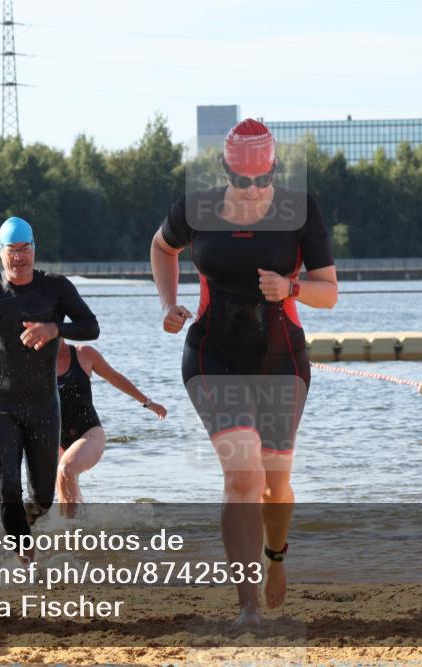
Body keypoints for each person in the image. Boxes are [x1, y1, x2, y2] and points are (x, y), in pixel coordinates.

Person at [150, 118, 338, 624]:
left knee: (275, 482)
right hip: (214, 354)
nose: (253, 191)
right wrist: (169, 304)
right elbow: (161, 247)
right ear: (225, 172)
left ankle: (276, 560)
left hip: (282, 359)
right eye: (242, 181)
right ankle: (247, 607)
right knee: (243, 474)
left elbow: (329, 292)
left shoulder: (301, 211)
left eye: (262, 179)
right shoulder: (197, 208)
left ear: (275, 169)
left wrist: (291, 288)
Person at [0, 216, 99, 563]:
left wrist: (55, 329)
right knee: (7, 485)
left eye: (26, 249)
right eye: (13, 250)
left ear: (34, 250)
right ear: (1, 253)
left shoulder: (55, 288)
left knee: (42, 497)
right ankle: (25, 559)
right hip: (3, 404)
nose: (20, 257)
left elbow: (91, 327)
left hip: (44, 405)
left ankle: (17, 529)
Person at [55, 338, 167, 518]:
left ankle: (70, 533)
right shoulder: (36, 361)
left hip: (89, 433)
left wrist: (148, 403)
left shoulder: (84, 354)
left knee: (66, 470)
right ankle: (78, 530)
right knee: (65, 489)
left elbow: (114, 377)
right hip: (56, 438)